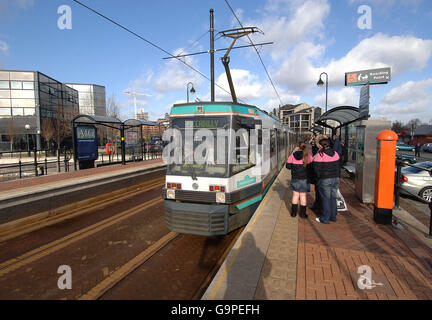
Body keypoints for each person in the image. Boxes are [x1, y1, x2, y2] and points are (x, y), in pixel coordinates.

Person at [313, 137, 341, 224]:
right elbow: (338, 166)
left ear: (321, 146)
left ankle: (325, 218)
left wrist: (319, 178)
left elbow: (316, 169)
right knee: (333, 198)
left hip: (325, 179)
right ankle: (333, 216)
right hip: (336, 178)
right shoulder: (335, 154)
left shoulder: (320, 155)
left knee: (326, 199)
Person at [286, 142, 313, 218]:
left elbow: (288, 166)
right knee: (303, 196)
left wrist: (294, 167)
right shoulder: (308, 156)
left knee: (295, 195)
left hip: (295, 178)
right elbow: (311, 167)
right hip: (305, 179)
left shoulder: (292, 155)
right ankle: (303, 214)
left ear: (298, 147)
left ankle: (293, 213)